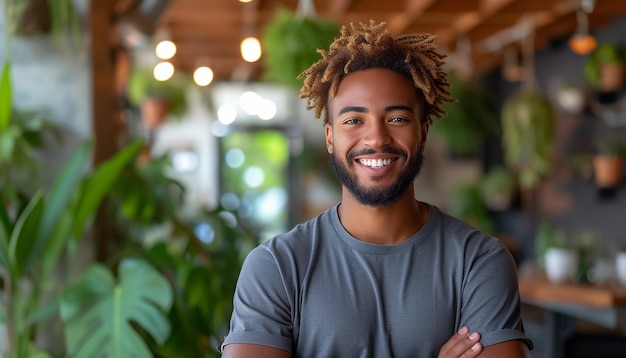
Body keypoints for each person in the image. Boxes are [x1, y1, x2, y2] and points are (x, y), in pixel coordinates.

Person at [220, 20, 533, 358]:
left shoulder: (478, 261)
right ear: (330, 137)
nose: (376, 138)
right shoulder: (277, 266)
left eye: (397, 118)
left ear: (423, 132)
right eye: (354, 120)